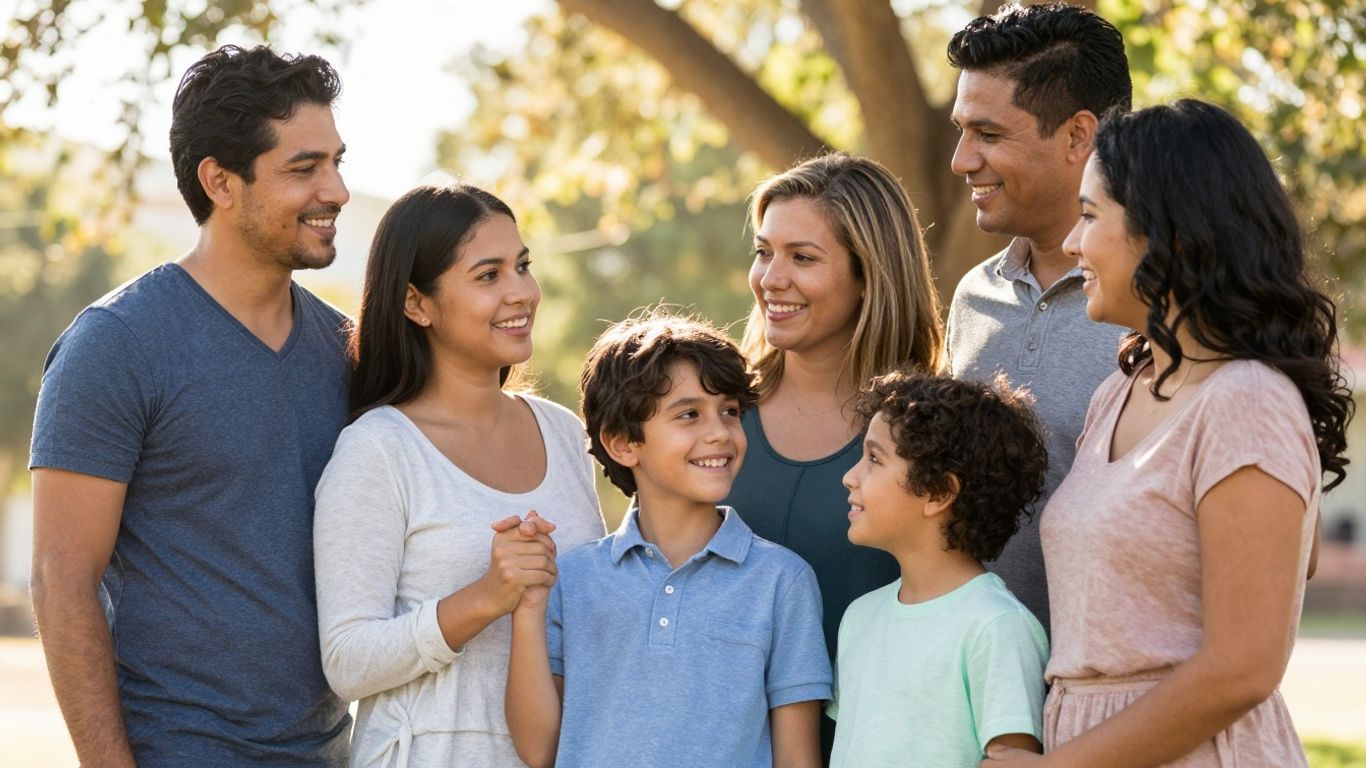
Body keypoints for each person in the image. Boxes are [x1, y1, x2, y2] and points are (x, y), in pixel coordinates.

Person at [986, 100, 1353, 767]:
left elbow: (1244, 666)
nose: (1072, 243)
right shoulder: (1120, 391)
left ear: (1171, 236)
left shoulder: (1246, 402)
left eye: (1091, 216)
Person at [28, 46, 352, 766]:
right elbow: (61, 578)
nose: (336, 189)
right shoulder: (117, 346)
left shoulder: (345, 350)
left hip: (331, 752)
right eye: (304, 168)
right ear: (220, 181)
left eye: (336, 161)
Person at [313, 183, 605, 767]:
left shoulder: (563, 433)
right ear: (417, 303)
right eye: (488, 275)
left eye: (522, 266)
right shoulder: (378, 451)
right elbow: (346, 661)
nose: (522, 292)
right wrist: (484, 597)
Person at [506, 313, 832, 768]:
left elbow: (797, 758)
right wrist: (528, 608)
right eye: (689, 415)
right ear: (623, 444)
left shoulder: (782, 580)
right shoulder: (573, 580)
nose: (719, 432)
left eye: (730, 412)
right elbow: (540, 751)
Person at [722, 152, 943, 757]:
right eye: (765, 252)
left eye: (804, 258)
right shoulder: (714, 414)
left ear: (868, 274)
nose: (771, 278)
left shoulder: (928, 432)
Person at [944, 2, 1134, 631]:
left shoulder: (1168, 306)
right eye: (961, 131)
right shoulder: (974, 297)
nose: (962, 160)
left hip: (1113, 698)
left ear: (1079, 135)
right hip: (975, 695)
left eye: (988, 134)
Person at [830, 369, 1050, 767]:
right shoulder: (859, 617)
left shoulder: (997, 626)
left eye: (874, 459)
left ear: (938, 492)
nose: (850, 477)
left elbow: (1012, 758)